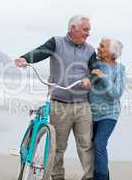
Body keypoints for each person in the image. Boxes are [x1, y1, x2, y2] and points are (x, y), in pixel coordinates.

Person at [15, 15, 97, 180]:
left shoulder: (90, 50)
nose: (88, 33)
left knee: (86, 146)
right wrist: (24, 58)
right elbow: (40, 52)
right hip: (59, 104)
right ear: (73, 28)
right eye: (85, 29)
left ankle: (89, 177)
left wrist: (90, 79)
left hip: (82, 105)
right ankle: (58, 177)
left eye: (89, 30)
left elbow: (96, 71)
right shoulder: (56, 42)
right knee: (57, 147)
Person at [89, 38, 126, 180]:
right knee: (95, 148)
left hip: (109, 114)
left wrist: (103, 77)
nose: (98, 48)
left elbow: (116, 94)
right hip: (92, 113)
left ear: (111, 52)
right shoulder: (94, 65)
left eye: (102, 46)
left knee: (99, 143)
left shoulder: (120, 69)